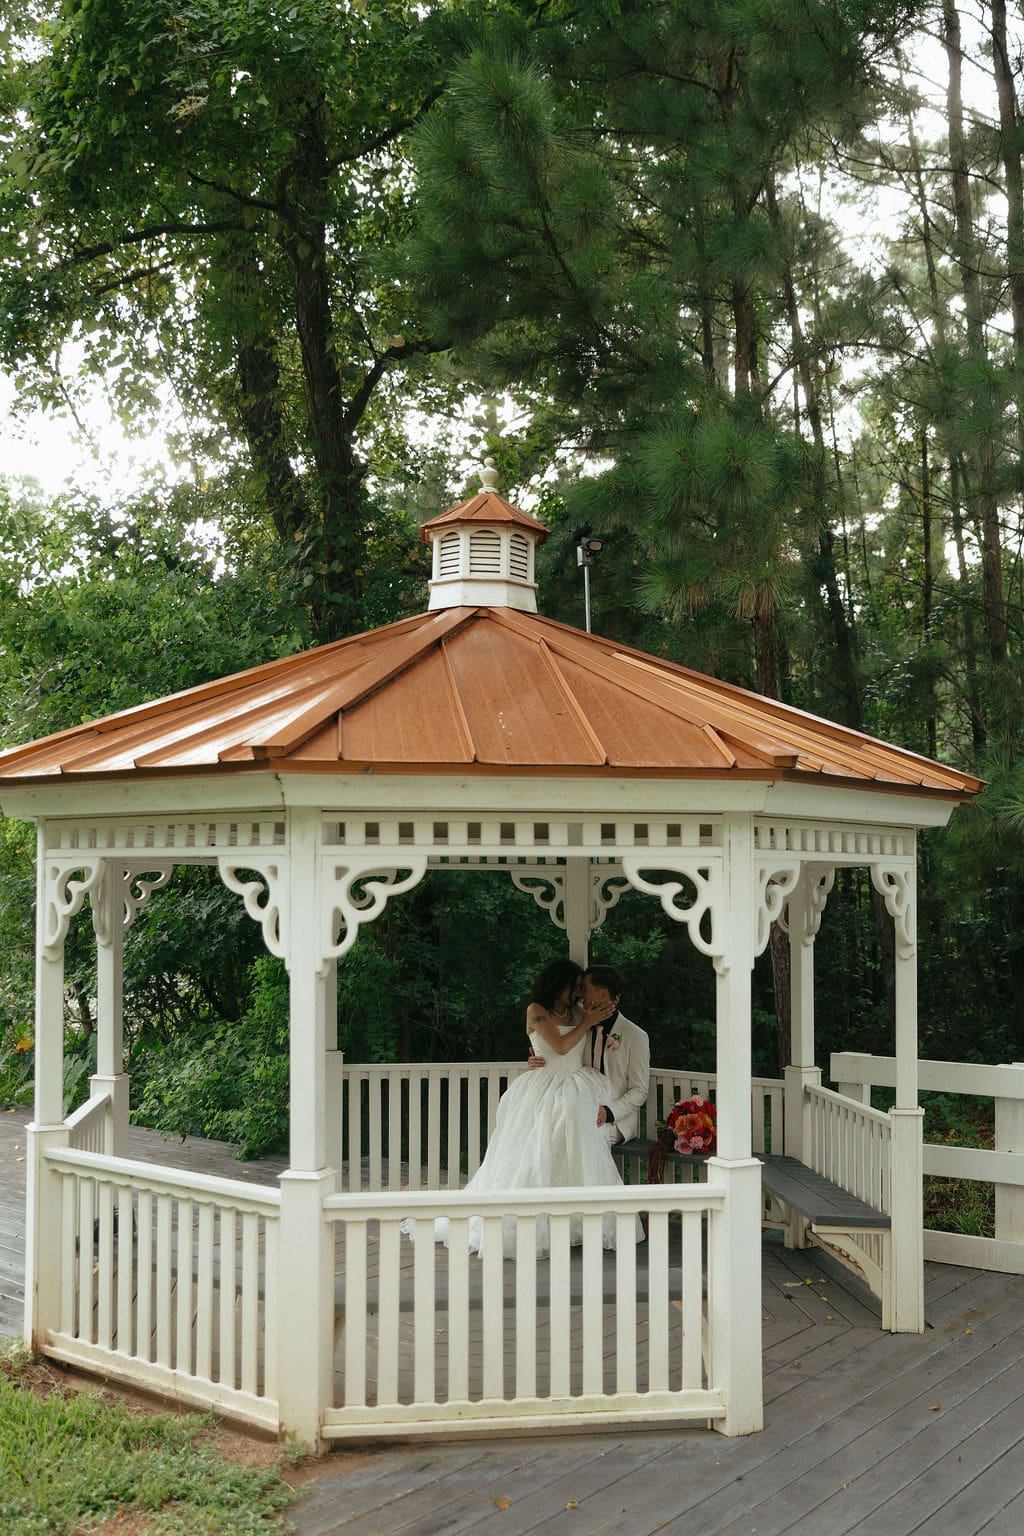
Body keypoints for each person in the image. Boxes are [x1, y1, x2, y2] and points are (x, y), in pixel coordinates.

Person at [405, 958, 641, 1258]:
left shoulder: (578, 1012)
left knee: (578, 1152)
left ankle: (574, 1223)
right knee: (533, 1154)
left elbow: (595, 1030)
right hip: (544, 1089)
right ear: (560, 984)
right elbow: (559, 1047)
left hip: (578, 1087)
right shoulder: (537, 1010)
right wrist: (584, 1023)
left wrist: (593, 1014)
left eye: (581, 989)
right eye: (574, 987)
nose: (578, 994)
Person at [530, 965, 651, 1148]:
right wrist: (538, 1057)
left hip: (612, 1120)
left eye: (584, 989)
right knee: (552, 1131)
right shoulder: (579, 1020)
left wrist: (607, 1112)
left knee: (575, 1136)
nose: (579, 994)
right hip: (576, 1107)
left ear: (602, 995)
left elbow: (640, 1090)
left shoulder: (635, 1036)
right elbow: (556, 1043)